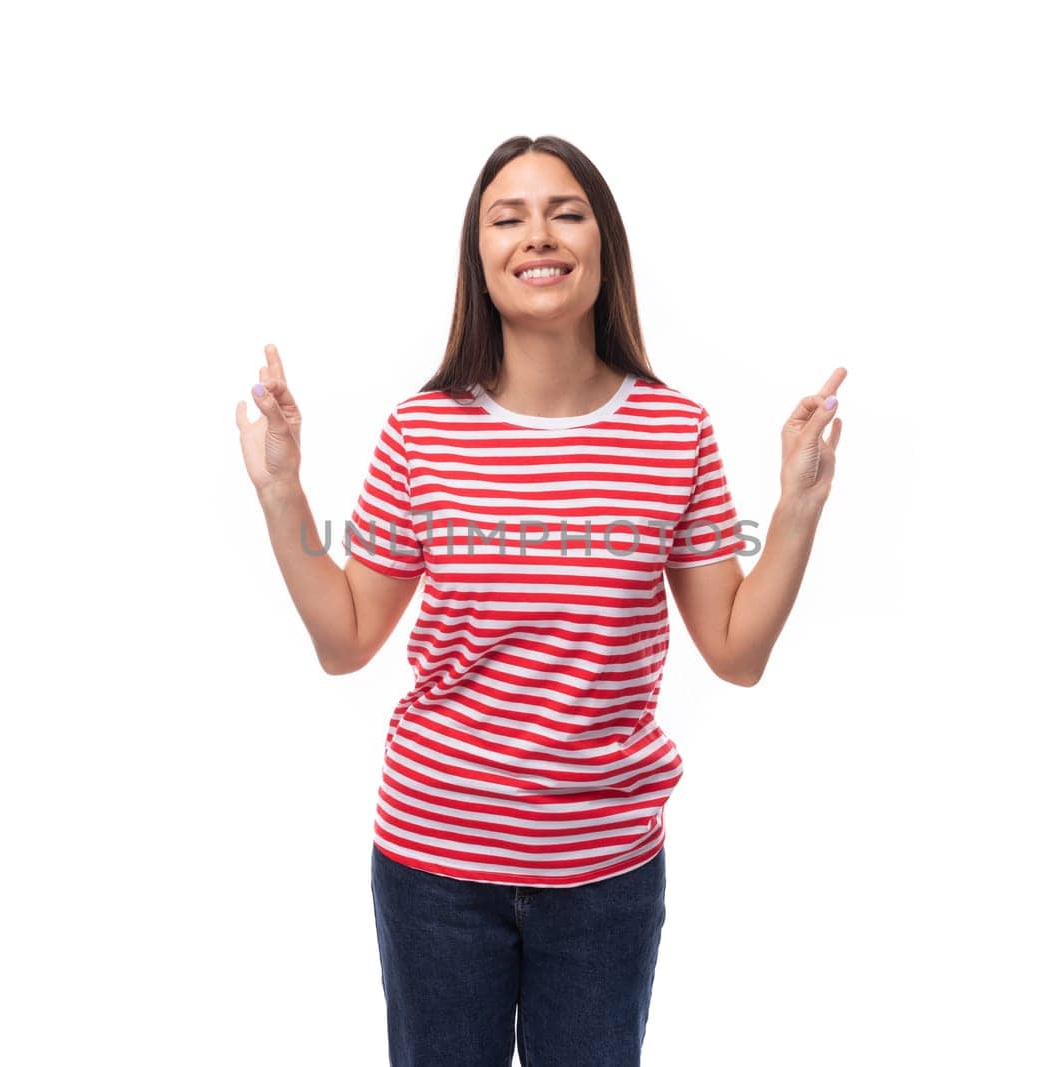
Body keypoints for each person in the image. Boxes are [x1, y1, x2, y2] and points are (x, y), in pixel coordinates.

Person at [234, 135, 845, 1066]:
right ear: (479, 258)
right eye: (507, 218)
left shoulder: (673, 432)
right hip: (435, 864)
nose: (537, 235)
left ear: (604, 246)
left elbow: (736, 650)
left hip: (606, 874)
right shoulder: (424, 432)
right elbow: (347, 637)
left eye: (564, 211)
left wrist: (797, 506)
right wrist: (283, 494)